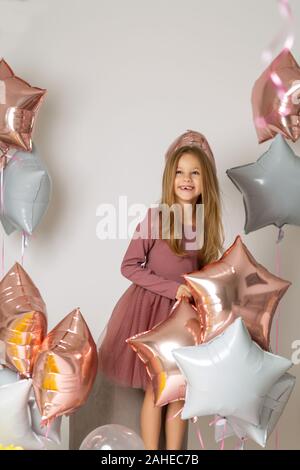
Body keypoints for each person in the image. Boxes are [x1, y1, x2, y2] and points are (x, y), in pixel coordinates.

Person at [97, 129, 224, 450]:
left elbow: (203, 272)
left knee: (180, 391)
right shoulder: (156, 218)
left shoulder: (202, 223)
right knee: (157, 389)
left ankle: (175, 455)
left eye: (195, 173)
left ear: (206, 181)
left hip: (184, 320)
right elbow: (128, 266)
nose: (187, 179)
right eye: (180, 172)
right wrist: (172, 289)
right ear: (170, 178)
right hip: (152, 315)